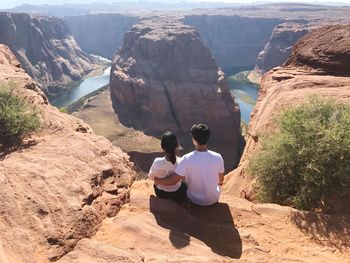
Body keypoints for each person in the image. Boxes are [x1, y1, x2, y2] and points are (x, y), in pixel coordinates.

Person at [154, 123, 225, 206]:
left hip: (194, 200)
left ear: (194, 140)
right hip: (213, 200)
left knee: (184, 183)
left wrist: (157, 181)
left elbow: (173, 181)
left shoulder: (186, 158)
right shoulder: (218, 157)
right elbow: (221, 180)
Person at [148, 131, 187, 202]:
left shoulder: (157, 162)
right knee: (185, 186)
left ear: (162, 147)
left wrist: (158, 180)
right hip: (178, 194)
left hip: (161, 194)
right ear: (177, 145)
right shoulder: (181, 161)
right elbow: (184, 179)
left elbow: (150, 177)